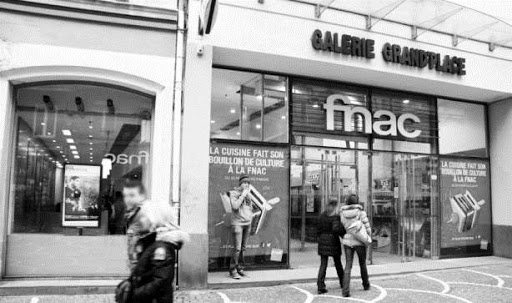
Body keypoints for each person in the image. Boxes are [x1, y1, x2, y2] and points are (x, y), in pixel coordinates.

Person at [116, 197, 189, 303]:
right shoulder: (152, 241)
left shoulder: (161, 248)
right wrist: (130, 282)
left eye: (144, 217)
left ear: (154, 218)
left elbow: (160, 282)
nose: (141, 220)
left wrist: (134, 295)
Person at [340, 194, 371, 297]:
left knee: (348, 265)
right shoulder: (361, 213)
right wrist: (368, 237)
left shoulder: (342, 214)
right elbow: (367, 227)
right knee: (362, 264)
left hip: (348, 241)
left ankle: (345, 290)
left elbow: (342, 227)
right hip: (360, 242)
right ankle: (365, 284)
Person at [317, 200, 346, 294]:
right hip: (333, 241)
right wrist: (343, 233)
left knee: (323, 264)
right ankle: (343, 282)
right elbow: (336, 229)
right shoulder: (336, 217)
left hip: (322, 240)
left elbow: (318, 229)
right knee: (338, 263)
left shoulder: (322, 215)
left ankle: (320, 285)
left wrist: (321, 237)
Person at [228, 175, 254, 279]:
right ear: (240, 184)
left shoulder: (248, 195)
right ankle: (233, 270)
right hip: (237, 223)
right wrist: (243, 195)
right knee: (237, 248)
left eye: (248, 183)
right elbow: (235, 206)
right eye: (244, 183)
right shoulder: (233, 193)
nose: (246, 184)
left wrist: (250, 218)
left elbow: (250, 208)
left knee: (243, 248)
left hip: (247, 224)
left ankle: (240, 268)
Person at [122, 180, 150, 270]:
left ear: (142, 196)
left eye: (132, 195)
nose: (128, 199)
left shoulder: (145, 216)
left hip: (144, 268)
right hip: (136, 265)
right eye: (125, 196)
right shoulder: (132, 215)